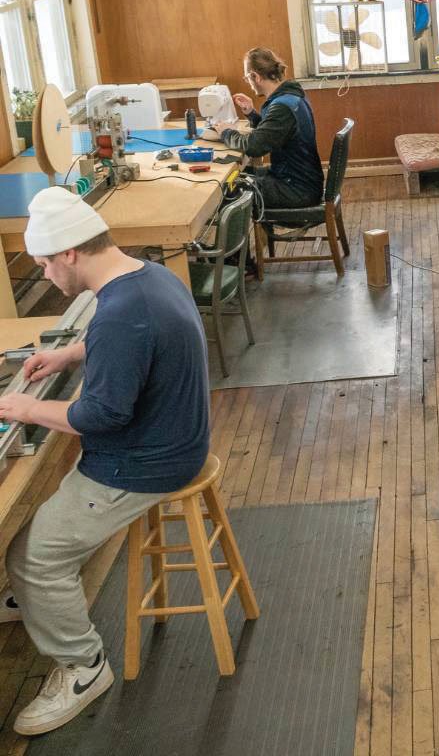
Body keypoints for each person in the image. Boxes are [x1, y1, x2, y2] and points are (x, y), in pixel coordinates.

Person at [0, 188, 210, 735]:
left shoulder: (121, 316)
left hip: (145, 462)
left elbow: (101, 417)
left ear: (70, 252)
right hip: (175, 438)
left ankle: (84, 665)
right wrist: (71, 353)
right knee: (36, 546)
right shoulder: (144, 275)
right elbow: (132, 339)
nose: (44, 274)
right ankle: (43, 601)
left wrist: (27, 407)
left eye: (46, 262)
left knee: (29, 559)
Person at [211, 47, 324, 210]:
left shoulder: (282, 107)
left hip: (296, 189)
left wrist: (226, 132)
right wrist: (251, 114)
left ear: (255, 76)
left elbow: (255, 147)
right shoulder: (291, 96)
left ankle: (252, 233)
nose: (248, 83)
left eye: (247, 78)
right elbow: (274, 133)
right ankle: (262, 233)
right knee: (237, 176)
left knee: (227, 189)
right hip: (299, 179)